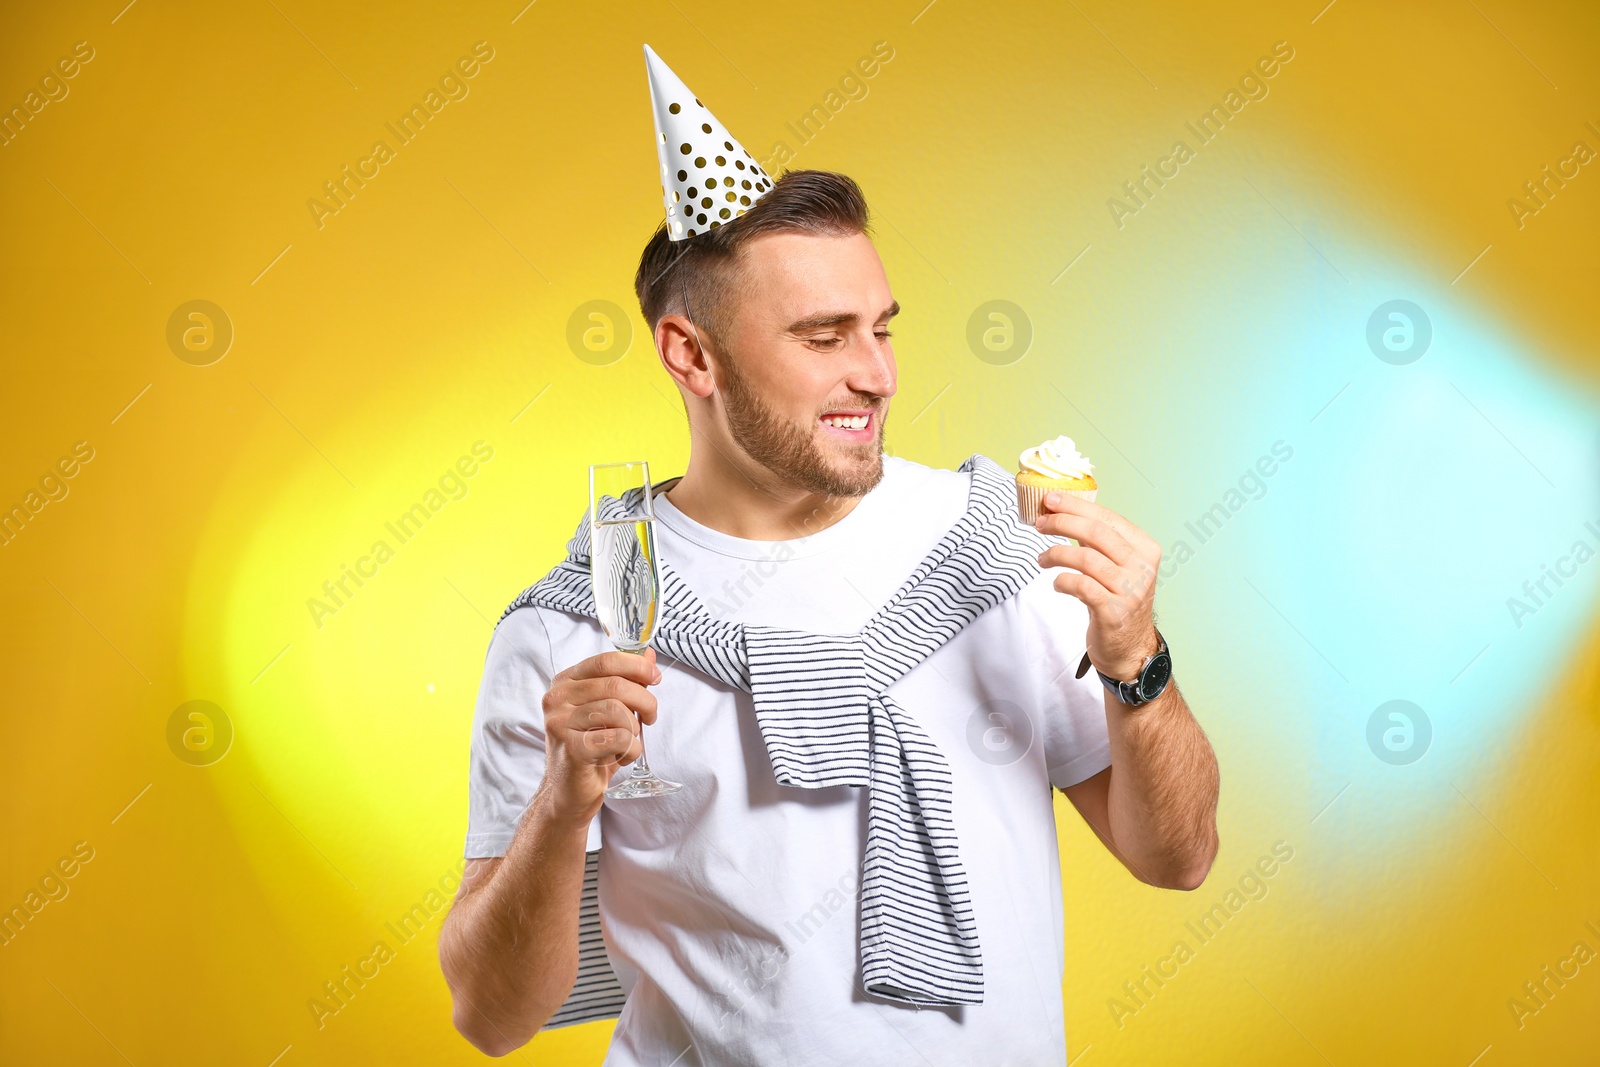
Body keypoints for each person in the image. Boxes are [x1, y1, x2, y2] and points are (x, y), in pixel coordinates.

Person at [439, 47, 1218, 1066]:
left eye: (882, 329)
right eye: (823, 337)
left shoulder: (998, 548)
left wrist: (1137, 660)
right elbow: (493, 1017)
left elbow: (1179, 857)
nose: (877, 375)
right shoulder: (573, 626)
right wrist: (561, 800)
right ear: (692, 355)